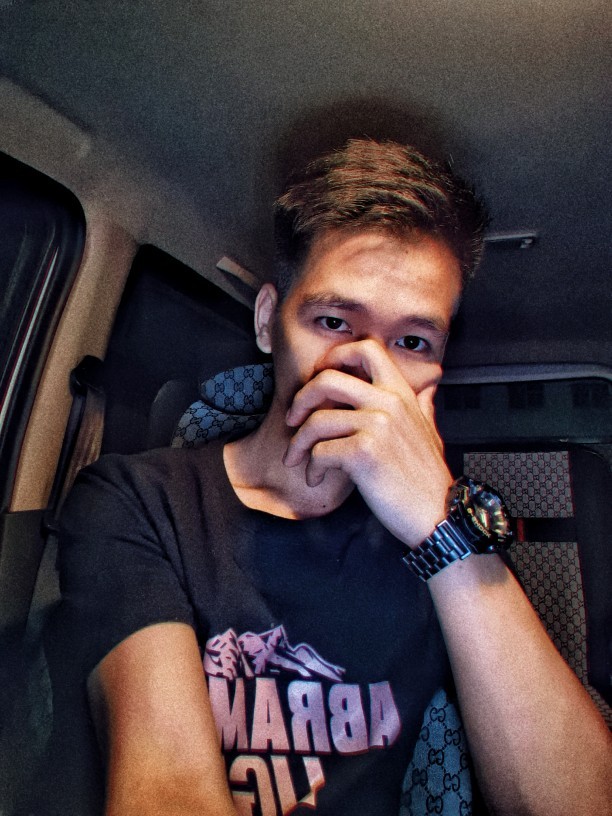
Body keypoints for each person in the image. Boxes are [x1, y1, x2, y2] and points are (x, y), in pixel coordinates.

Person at [54, 139, 611, 816]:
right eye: (333, 321)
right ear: (268, 322)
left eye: (411, 342)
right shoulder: (142, 502)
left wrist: (440, 527)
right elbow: (166, 786)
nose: (366, 373)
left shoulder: (448, 530)